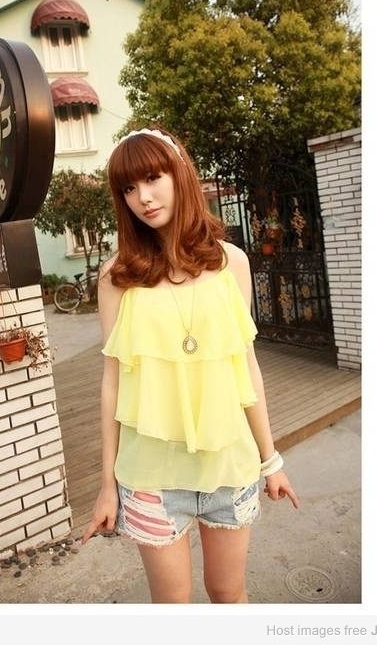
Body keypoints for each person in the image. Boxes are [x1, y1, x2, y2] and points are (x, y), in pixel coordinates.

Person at [82, 127, 299, 603]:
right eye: (128, 188)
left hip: (229, 467)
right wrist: (106, 486)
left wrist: (271, 461)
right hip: (150, 477)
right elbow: (111, 384)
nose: (143, 197)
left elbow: (246, 368)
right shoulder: (118, 276)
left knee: (228, 593)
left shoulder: (231, 263)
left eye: (152, 178)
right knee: (173, 607)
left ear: (180, 174)